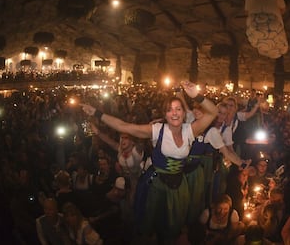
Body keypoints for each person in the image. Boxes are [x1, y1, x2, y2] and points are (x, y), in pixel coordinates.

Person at [81, 80, 217, 243]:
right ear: (165, 114)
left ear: (183, 113)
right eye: (170, 110)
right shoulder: (157, 130)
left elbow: (213, 112)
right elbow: (124, 126)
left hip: (179, 186)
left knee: (174, 226)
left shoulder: (191, 130)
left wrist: (197, 95)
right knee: (152, 224)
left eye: (178, 109)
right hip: (157, 184)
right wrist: (97, 113)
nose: (174, 113)